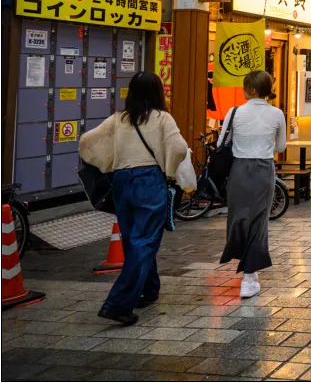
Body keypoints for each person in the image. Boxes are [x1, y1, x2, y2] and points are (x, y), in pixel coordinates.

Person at [79, 71, 188, 324]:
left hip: (121, 182)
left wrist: (108, 163)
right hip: (149, 181)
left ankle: (149, 289)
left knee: (133, 241)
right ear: (157, 92)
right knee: (145, 241)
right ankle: (118, 303)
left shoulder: (119, 119)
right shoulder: (162, 118)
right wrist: (169, 170)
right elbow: (180, 148)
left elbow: (87, 140)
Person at [215, 71, 287, 299]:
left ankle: (247, 271)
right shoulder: (277, 113)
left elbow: (221, 143)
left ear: (252, 90)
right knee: (259, 221)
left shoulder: (234, 112)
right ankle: (249, 277)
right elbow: (281, 147)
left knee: (238, 218)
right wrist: (264, 148)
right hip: (264, 169)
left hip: (238, 170)